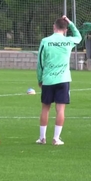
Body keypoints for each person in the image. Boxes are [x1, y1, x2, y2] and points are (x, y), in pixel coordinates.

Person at [36, 15, 81, 145]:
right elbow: (79, 37)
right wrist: (71, 23)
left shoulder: (45, 41)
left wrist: (40, 78)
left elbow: (40, 62)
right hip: (63, 79)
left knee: (45, 108)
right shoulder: (68, 41)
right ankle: (56, 138)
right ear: (66, 30)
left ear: (54, 27)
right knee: (60, 109)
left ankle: (42, 137)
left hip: (48, 79)